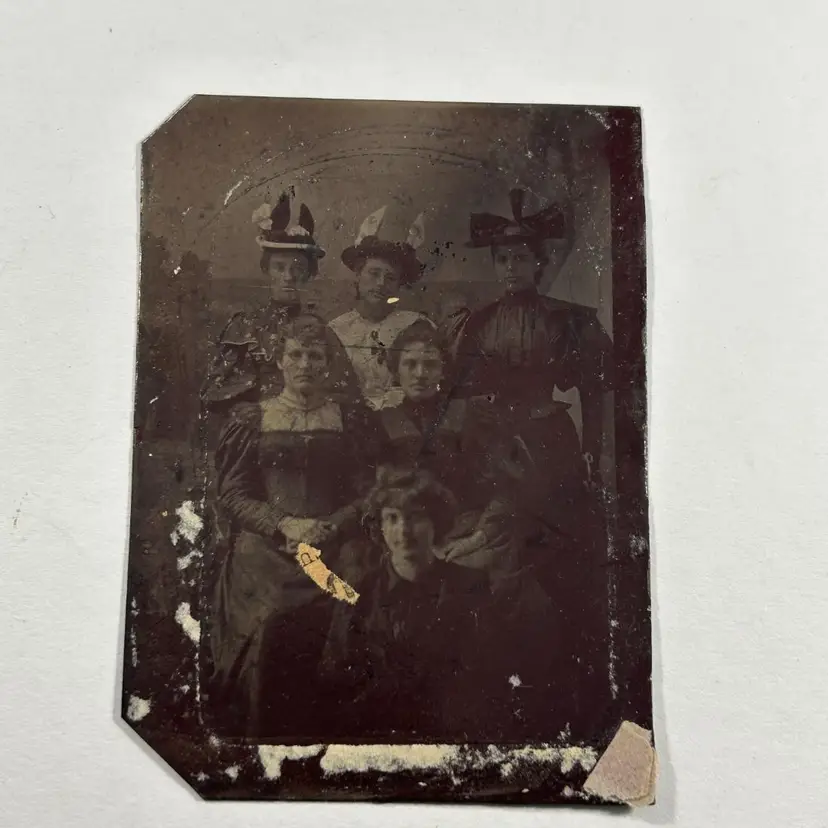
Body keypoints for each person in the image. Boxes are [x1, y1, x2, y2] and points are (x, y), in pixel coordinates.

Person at [441, 187, 614, 704]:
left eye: (521, 258)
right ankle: (493, 669)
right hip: (490, 442)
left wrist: (595, 449)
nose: (511, 267)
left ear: (539, 264)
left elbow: (596, 389)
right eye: (503, 259)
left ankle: (557, 672)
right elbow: (458, 392)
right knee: (494, 548)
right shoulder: (478, 321)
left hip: (548, 441)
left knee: (551, 548)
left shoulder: (570, 319)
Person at [206, 314, 381, 739]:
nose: (305, 363)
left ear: (327, 364)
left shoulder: (349, 420)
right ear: (280, 361)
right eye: (295, 354)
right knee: (267, 625)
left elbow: (370, 492)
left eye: (314, 355)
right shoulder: (252, 419)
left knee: (348, 610)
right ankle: (261, 736)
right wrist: (282, 523)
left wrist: (331, 525)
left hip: (334, 545)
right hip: (267, 550)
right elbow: (231, 493)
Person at [321, 467, 571, 742]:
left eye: (416, 518)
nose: (403, 530)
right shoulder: (359, 593)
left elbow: (487, 676)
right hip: (377, 734)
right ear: (379, 527)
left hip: (451, 734)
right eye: (392, 518)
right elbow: (336, 677)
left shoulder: (472, 587)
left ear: (436, 523)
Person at [379, 319, 519, 577]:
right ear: (396, 370)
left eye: (430, 364)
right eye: (410, 364)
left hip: (467, 535)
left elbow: (505, 486)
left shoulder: (469, 415)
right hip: (406, 538)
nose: (420, 373)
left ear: (443, 370)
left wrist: (478, 537)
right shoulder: (383, 423)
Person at [201, 190, 359, 416]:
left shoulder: (321, 330)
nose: (288, 277)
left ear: (308, 276)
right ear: (267, 270)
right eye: (280, 268)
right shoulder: (244, 326)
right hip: (258, 426)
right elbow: (213, 392)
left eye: (298, 269)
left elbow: (345, 391)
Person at [329, 206, 435, 410]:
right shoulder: (336, 329)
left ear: (399, 285)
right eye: (373, 273)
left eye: (390, 278)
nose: (380, 284)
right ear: (358, 275)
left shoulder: (415, 325)